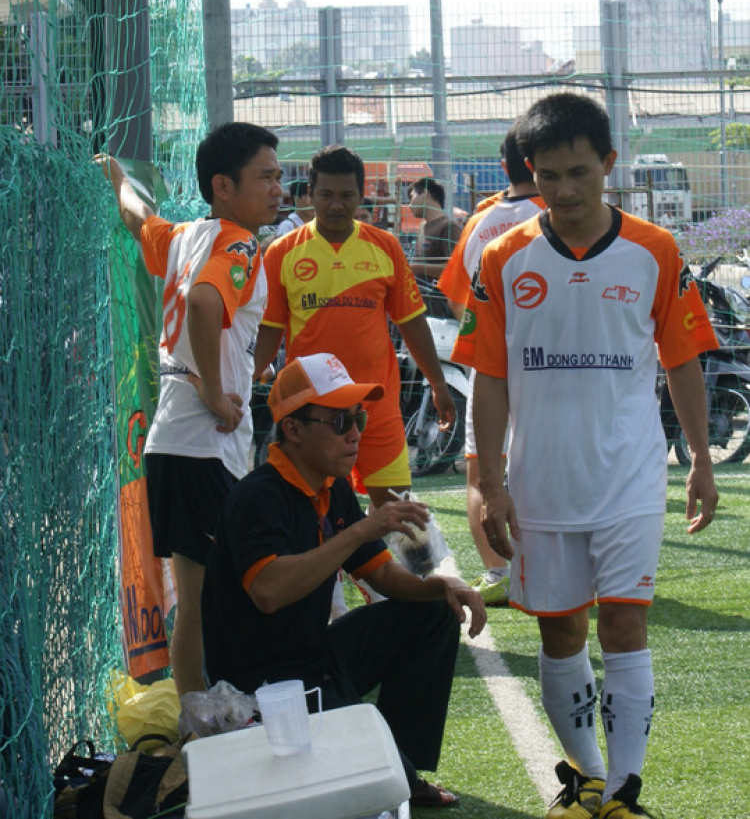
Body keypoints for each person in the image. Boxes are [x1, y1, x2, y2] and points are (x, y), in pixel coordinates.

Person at [453, 92, 719, 819]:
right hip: (541, 481)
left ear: (608, 164)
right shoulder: (504, 258)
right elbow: (491, 375)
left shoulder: (656, 251)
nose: (565, 191)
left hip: (630, 474)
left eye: (579, 172)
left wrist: (700, 458)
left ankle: (626, 791)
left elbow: (684, 358)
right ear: (528, 173)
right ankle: (587, 779)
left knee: (625, 622)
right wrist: (490, 482)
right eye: (548, 176)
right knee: (559, 626)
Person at [201, 353, 486, 809]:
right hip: (263, 688)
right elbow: (269, 592)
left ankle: (403, 766)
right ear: (292, 430)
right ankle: (393, 769)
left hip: (315, 657)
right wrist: (361, 529)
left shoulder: (330, 489)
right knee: (359, 788)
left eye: (358, 416)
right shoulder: (257, 497)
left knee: (431, 614)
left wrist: (442, 587)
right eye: (339, 421)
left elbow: (385, 577)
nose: (355, 431)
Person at [99, 122, 284, 696]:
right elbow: (205, 301)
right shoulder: (237, 244)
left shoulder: (184, 236)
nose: (279, 188)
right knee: (217, 601)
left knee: (199, 603)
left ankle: (197, 724)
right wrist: (209, 388)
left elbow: (137, 221)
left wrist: (116, 179)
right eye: (267, 177)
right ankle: (209, 722)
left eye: (279, 176)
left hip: (173, 444)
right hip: (203, 446)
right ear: (223, 186)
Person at [254, 145, 455, 507]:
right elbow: (270, 328)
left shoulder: (385, 246)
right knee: (313, 515)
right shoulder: (281, 253)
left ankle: (414, 567)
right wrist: (250, 378)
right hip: (313, 414)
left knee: (398, 513)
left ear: (361, 195)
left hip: (377, 410)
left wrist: (438, 384)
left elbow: (412, 322)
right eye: (326, 195)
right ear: (309, 196)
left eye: (346, 195)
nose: (336, 205)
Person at [438, 125, 543, 606]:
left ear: (504, 168)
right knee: (544, 464)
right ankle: (551, 568)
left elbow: (459, 301)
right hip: (549, 369)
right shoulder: (564, 213)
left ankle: (499, 572)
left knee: (483, 470)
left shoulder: (481, 222)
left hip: (490, 367)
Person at [408, 177, 462, 283]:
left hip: (440, 297)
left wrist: (416, 268)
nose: (409, 205)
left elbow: (456, 267)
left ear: (424, 193)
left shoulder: (448, 227)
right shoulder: (422, 226)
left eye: (412, 197)